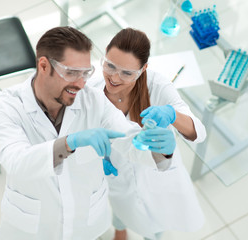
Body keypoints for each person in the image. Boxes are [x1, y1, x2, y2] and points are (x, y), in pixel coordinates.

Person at [0, 26, 176, 240]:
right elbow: (16, 161)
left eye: (86, 73)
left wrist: (160, 148)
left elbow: (128, 140)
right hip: (33, 225)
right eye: (71, 73)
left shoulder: (93, 100)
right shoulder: (6, 106)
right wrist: (69, 142)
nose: (80, 84)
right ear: (43, 66)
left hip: (83, 222)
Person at [88, 28, 207, 240]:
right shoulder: (93, 91)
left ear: (143, 69)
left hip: (156, 174)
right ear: (104, 55)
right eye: (110, 66)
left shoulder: (158, 86)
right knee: (121, 203)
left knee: (155, 221)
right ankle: (120, 229)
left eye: (127, 73)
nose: (114, 78)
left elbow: (198, 131)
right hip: (116, 171)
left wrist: (172, 114)